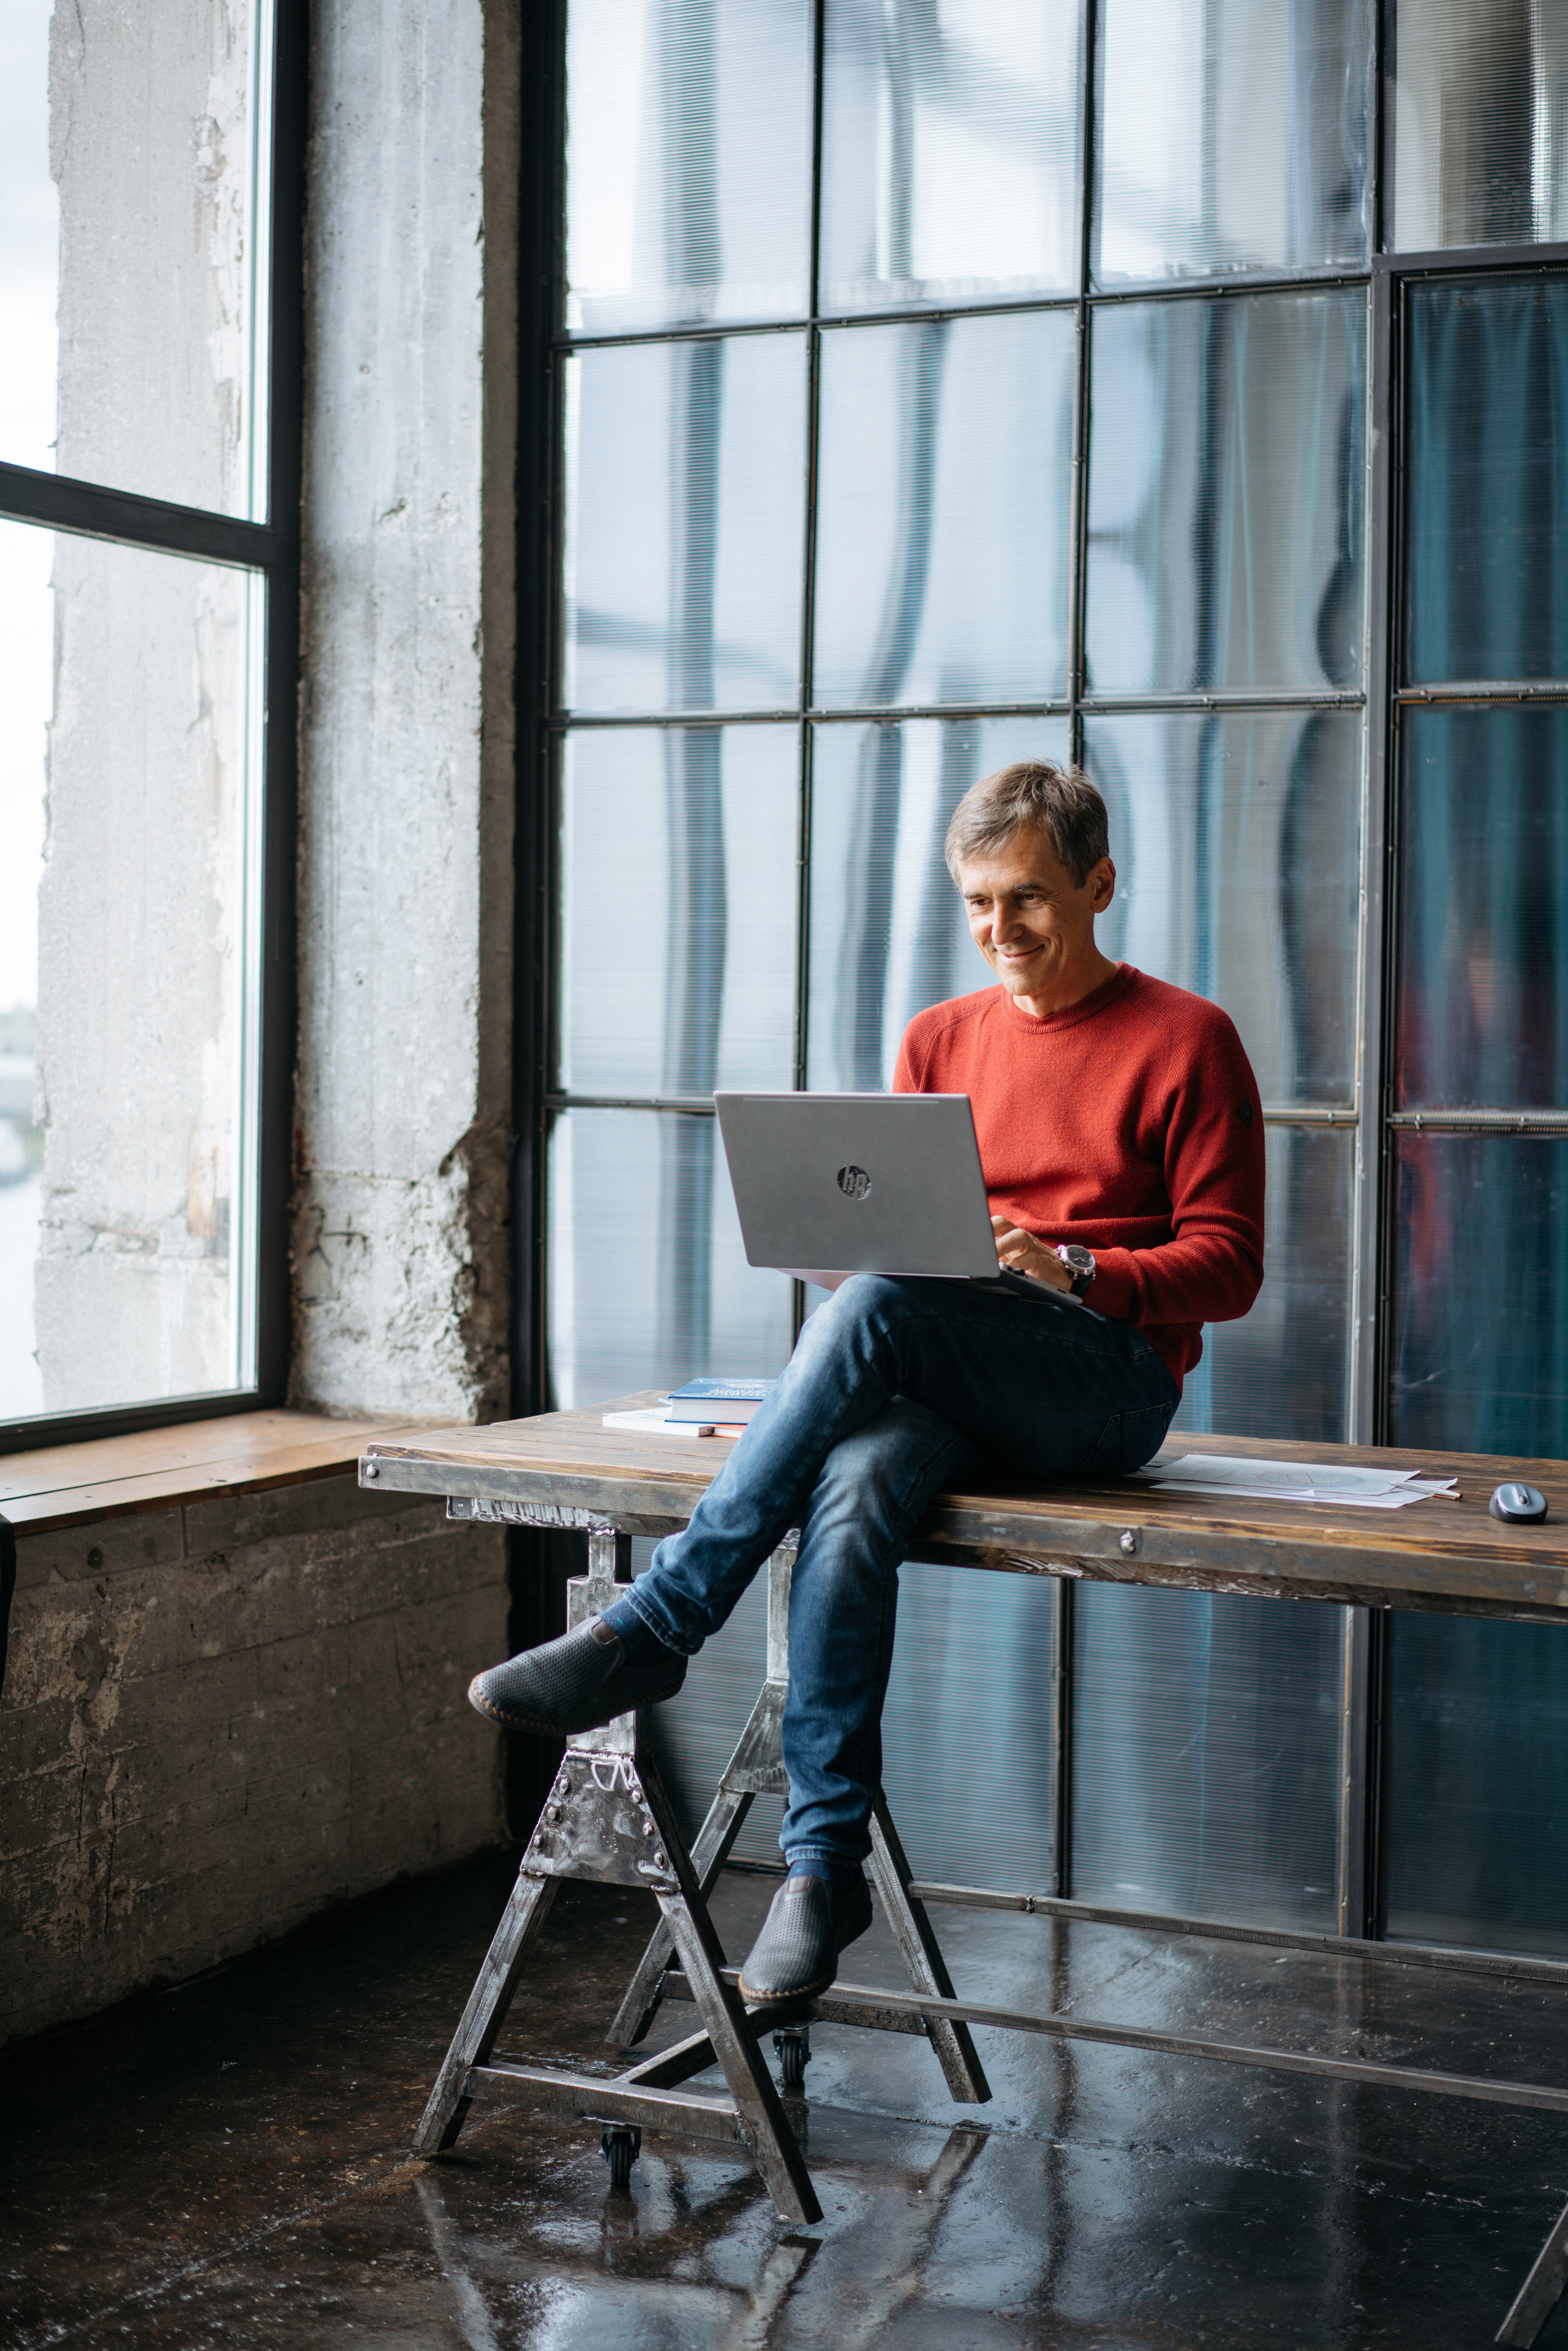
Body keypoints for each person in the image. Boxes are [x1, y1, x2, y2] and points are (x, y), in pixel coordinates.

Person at [468, 760, 1266, 2010]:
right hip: (944, 1360)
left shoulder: (1186, 1039)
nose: (1000, 930)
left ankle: (661, 1621)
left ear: (1099, 885)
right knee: (851, 1477)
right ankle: (817, 1871)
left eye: (1029, 899)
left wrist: (1074, 1268)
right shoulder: (938, 1037)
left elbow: (1225, 1266)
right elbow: (897, 1238)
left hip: (1100, 1389)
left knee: (883, 1306)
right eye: (977, 904)